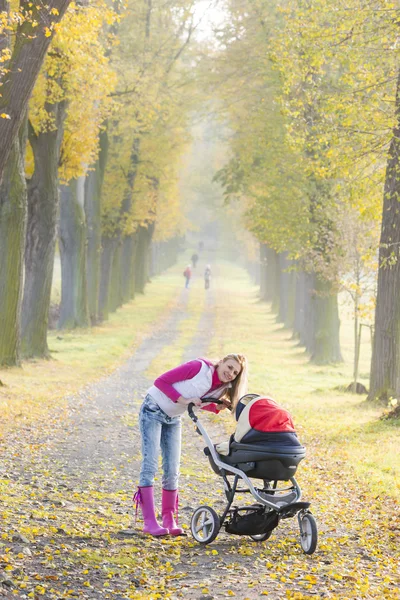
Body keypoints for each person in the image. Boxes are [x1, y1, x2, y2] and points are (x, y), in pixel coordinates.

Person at [134, 354, 248, 536]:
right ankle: (149, 522)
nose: (231, 373)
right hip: (153, 409)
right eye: (229, 367)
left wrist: (215, 407)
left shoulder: (222, 388)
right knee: (150, 465)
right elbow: (161, 382)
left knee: (172, 469)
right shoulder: (198, 367)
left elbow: (198, 402)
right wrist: (183, 400)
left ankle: (169, 520)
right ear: (221, 362)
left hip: (173, 417)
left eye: (235, 372)